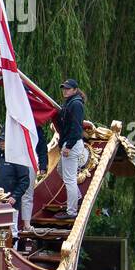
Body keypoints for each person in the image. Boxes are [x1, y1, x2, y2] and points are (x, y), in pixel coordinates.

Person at [54, 78, 89, 220]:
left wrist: (68, 146)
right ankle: (77, 196)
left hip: (72, 144)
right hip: (69, 143)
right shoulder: (70, 103)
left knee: (69, 179)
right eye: (64, 88)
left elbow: (76, 127)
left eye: (68, 88)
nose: (65, 90)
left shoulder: (76, 104)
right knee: (60, 170)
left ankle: (72, 211)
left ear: (75, 90)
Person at [0, 133, 29, 237]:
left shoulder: (18, 158)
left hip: (11, 201)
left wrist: (15, 196)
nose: (2, 143)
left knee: (12, 229)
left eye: (4, 141)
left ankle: (12, 251)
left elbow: (24, 181)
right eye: (0, 141)